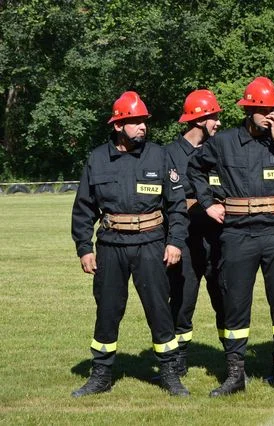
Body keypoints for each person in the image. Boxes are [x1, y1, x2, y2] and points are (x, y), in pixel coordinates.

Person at [187, 76, 274, 397]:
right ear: (248, 110)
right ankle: (235, 374)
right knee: (235, 303)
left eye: (273, 109)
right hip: (237, 234)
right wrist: (207, 203)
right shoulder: (224, 142)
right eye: (262, 110)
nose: (269, 115)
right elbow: (193, 169)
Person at [71, 91, 190, 397]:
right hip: (110, 246)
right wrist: (85, 248)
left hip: (151, 244)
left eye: (143, 122)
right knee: (108, 310)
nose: (142, 127)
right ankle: (101, 374)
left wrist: (175, 242)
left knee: (158, 311)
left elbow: (177, 205)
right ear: (118, 125)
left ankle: (168, 372)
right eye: (134, 122)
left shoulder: (159, 156)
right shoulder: (97, 158)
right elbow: (84, 208)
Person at [164, 89, 224, 377]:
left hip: (218, 239)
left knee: (225, 297)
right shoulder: (169, 155)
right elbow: (169, 200)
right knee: (183, 299)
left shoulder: (219, 151)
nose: (218, 123)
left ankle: (232, 360)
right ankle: (178, 361)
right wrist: (203, 204)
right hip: (185, 240)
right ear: (200, 120)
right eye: (214, 117)